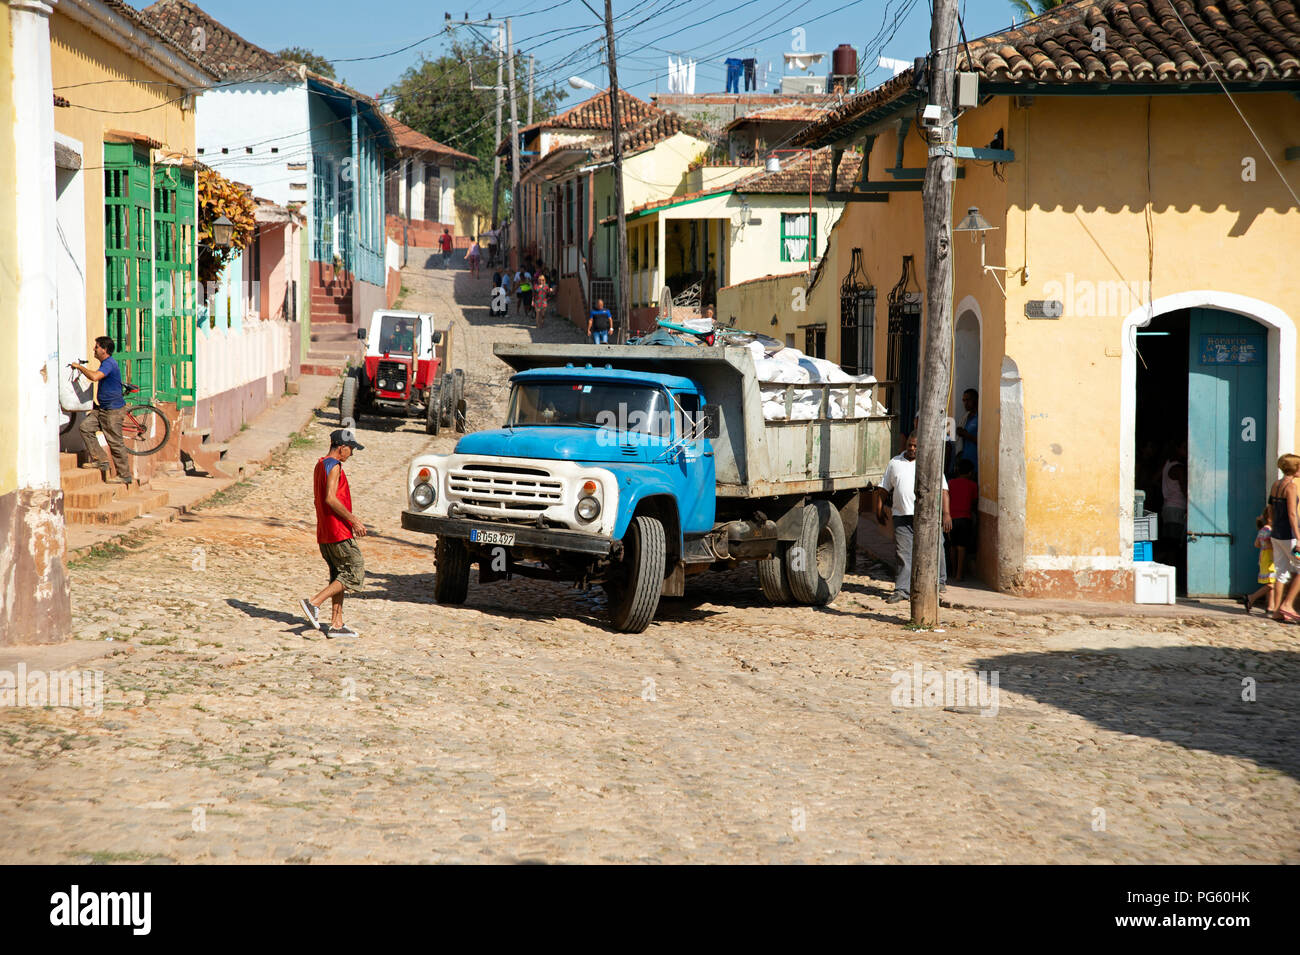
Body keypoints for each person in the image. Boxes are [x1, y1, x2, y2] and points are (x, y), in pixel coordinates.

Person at [301, 429, 367, 638]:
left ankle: (337, 624)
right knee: (355, 570)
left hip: (325, 531)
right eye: (351, 449)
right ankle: (313, 603)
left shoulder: (320, 464)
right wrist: (353, 520)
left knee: (338, 576)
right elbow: (330, 498)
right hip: (338, 531)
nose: (352, 454)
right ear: (341, 448)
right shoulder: (334, 466)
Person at [876, 433, 950, 603]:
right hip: (901, 515)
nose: (912, 449)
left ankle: (940, 582)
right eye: (910, 445)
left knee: (936, 547)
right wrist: (878, 509)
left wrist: (946, 513)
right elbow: (884, 489)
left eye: (916, 446)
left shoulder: (930, 462)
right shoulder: (895, 462)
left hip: (928, 516)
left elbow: (943, 490)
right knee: (903, 553)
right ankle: (902, 590)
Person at [72, 336, 132, 486]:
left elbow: (94, 377)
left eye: (97, 347)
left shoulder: (109, 364)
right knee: (85, 428)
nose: (94, 349)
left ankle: (124, 475)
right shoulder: (106, 363)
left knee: (115, 442)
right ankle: (101, 460)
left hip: (112, 411)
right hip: (103, 409)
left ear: (104, 350)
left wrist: (80, 367)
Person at [1265, 453, 1300, 622]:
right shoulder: (1291, 487)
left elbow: (1270, 506)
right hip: (1289, 536)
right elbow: (1292, 513)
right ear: (1294, 468)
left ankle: (1277, 610)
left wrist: (1271, 524)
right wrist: (1299, 537)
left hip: (1276, 535)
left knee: (1281, 572)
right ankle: (1287, 604)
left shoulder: (1276, 485)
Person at [947, 457, 978, 581]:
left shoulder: (950, 483)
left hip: (951, 519)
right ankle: (960, 575)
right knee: (962, 547)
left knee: (952, 546)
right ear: (970, 473)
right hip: (965, 519)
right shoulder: (973, 485)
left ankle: (954, 572)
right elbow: (974, 501)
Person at [1243, 517, 1276, 615]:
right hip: (1270, 559)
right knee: (1272, 584)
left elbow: (1256, 544)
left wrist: (1264, 546)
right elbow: (1268, 544)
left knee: (1270, 582)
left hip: (1264, 558)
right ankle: (1251, 598)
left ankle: (1271, 606)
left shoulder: (1262, 530)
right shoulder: (1269, 530)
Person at [954, 388, 978, 477]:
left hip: (975, 463)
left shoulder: (979, 418)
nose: (965, 403)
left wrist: (966, 434)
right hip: (964, 461)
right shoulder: (965, 417)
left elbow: (983, 441)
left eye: (968, 400)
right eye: (964, 400)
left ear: (975, 400)